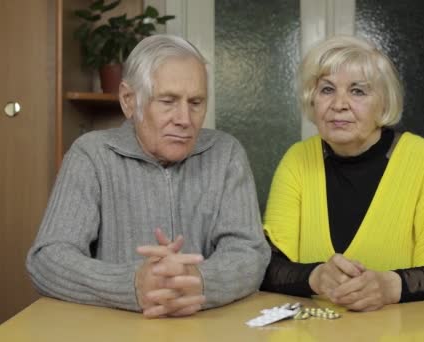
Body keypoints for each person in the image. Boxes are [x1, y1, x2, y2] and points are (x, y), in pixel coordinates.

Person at [26, 34, 270, 318]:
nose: (184, 119)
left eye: (196, 102)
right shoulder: (91, 154)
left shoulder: (226, 153)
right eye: (168, 100)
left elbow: (250, 253)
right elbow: (47, 260)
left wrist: (197, 282)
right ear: (129, 100)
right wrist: (132, 285)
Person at [260, 35, 424, 312]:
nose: (339, 104)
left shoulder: (423, 159)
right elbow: (263, 265)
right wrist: (314, 277)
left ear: (384, 103)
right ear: (313, 101)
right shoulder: (296, 160)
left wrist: (390, 286)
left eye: (358, 91)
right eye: (327, 90)